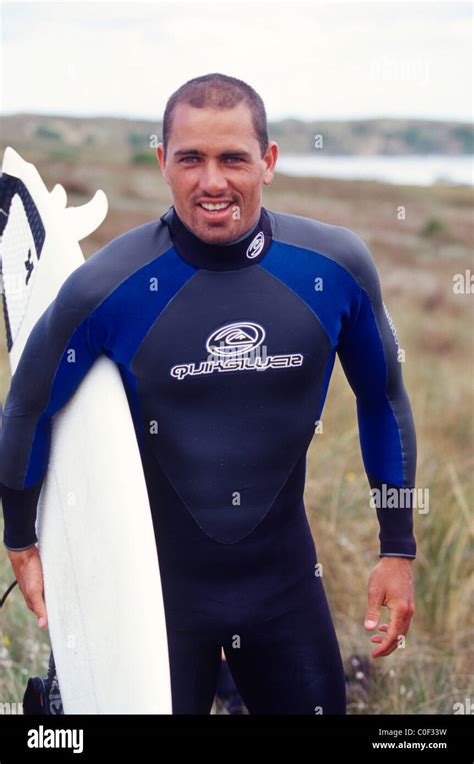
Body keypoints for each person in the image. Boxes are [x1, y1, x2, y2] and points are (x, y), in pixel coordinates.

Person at [0, 73, 416, 715]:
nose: (213, 181)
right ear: (163, 161)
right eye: (191, 158)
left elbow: (383, 398)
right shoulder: (108, 287)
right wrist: (21, 538)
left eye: (233, 159)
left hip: (284, 591)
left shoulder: (334, 269)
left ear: (268, 162)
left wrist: (397, 547)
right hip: (152, 602)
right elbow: (29, 404)